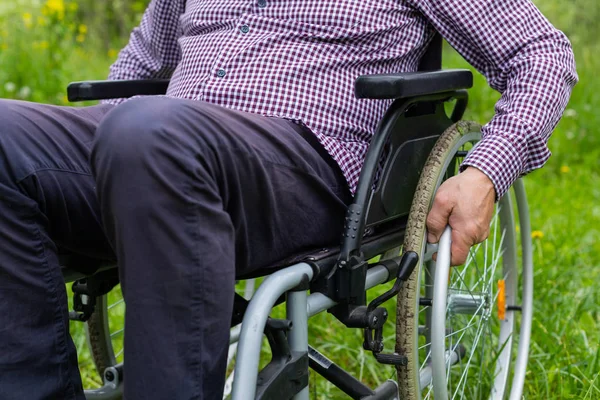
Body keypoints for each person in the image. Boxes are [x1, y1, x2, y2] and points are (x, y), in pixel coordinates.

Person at [0, 0, 577, 398]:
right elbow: (137, 70)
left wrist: (484, 171)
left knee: (148, 133)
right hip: (154, 147)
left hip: (305, 165)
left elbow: (543, 55)